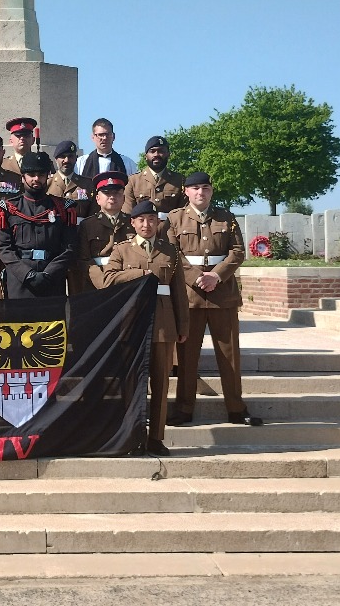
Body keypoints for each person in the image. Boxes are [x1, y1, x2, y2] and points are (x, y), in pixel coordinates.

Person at [166, 172, 262, 427]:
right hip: (191, 296)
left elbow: (237, 252)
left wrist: (216, 277)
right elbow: (172, 254)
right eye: (195, 188)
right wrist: (197, 277)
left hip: (223, 295)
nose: (201, 192)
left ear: (212, 190)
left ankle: (236, 409)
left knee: (229, 356)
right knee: (187, 357)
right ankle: (184, 408)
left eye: (205, 188)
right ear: (186, 191)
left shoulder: (226, 217)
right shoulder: (174, 219)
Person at [103, 200, 189, 457]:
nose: (146, 225)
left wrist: (183, 325)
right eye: (141, 220)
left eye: (151, 220)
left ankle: (156, 438)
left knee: (161, 384)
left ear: (158, 223)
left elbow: (179, 292)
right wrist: (138, 274)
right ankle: (132, 437)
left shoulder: (170, 251)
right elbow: (108, 279)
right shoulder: (122, 250)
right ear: (133, 223)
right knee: (131, 383)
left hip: (163, 324)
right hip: (132, 323)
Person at [0, 151, 79, 298]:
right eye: (31, 175)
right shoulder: (8, 209)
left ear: (47, 176)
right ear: (23, 177)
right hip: (20, 283)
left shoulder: (63, 208)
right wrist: (27, 274)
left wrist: (49, 273)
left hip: (52, 281)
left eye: (41, 175)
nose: (36, 179)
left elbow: (69, 248)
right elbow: (4, 249)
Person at [76, 171, 135, 292]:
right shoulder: (87, 225)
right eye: (107, 193)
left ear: (124, 198)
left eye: (117, 193)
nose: (112, 197)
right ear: (97, 199)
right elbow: (84, 260)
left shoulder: (133, 223)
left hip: (128, 284)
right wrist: (103, 282)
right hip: (97, 286)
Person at [123, 136, 187, 229]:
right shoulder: (133, 181)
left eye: (161, 151)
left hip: (171, 233)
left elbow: (184, 214)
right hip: (143, 233)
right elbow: (128, 214)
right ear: (145, 156)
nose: (156, 154)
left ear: (168, 154)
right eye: (152, 151)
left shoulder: (180, 180)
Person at [48, 140, 96, 221]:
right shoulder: (47, 184)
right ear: (56, 159)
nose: (66, 160)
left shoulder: (88, 184)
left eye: (70, 156)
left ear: (76, 158)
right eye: (62, 156)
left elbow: (94, 215)